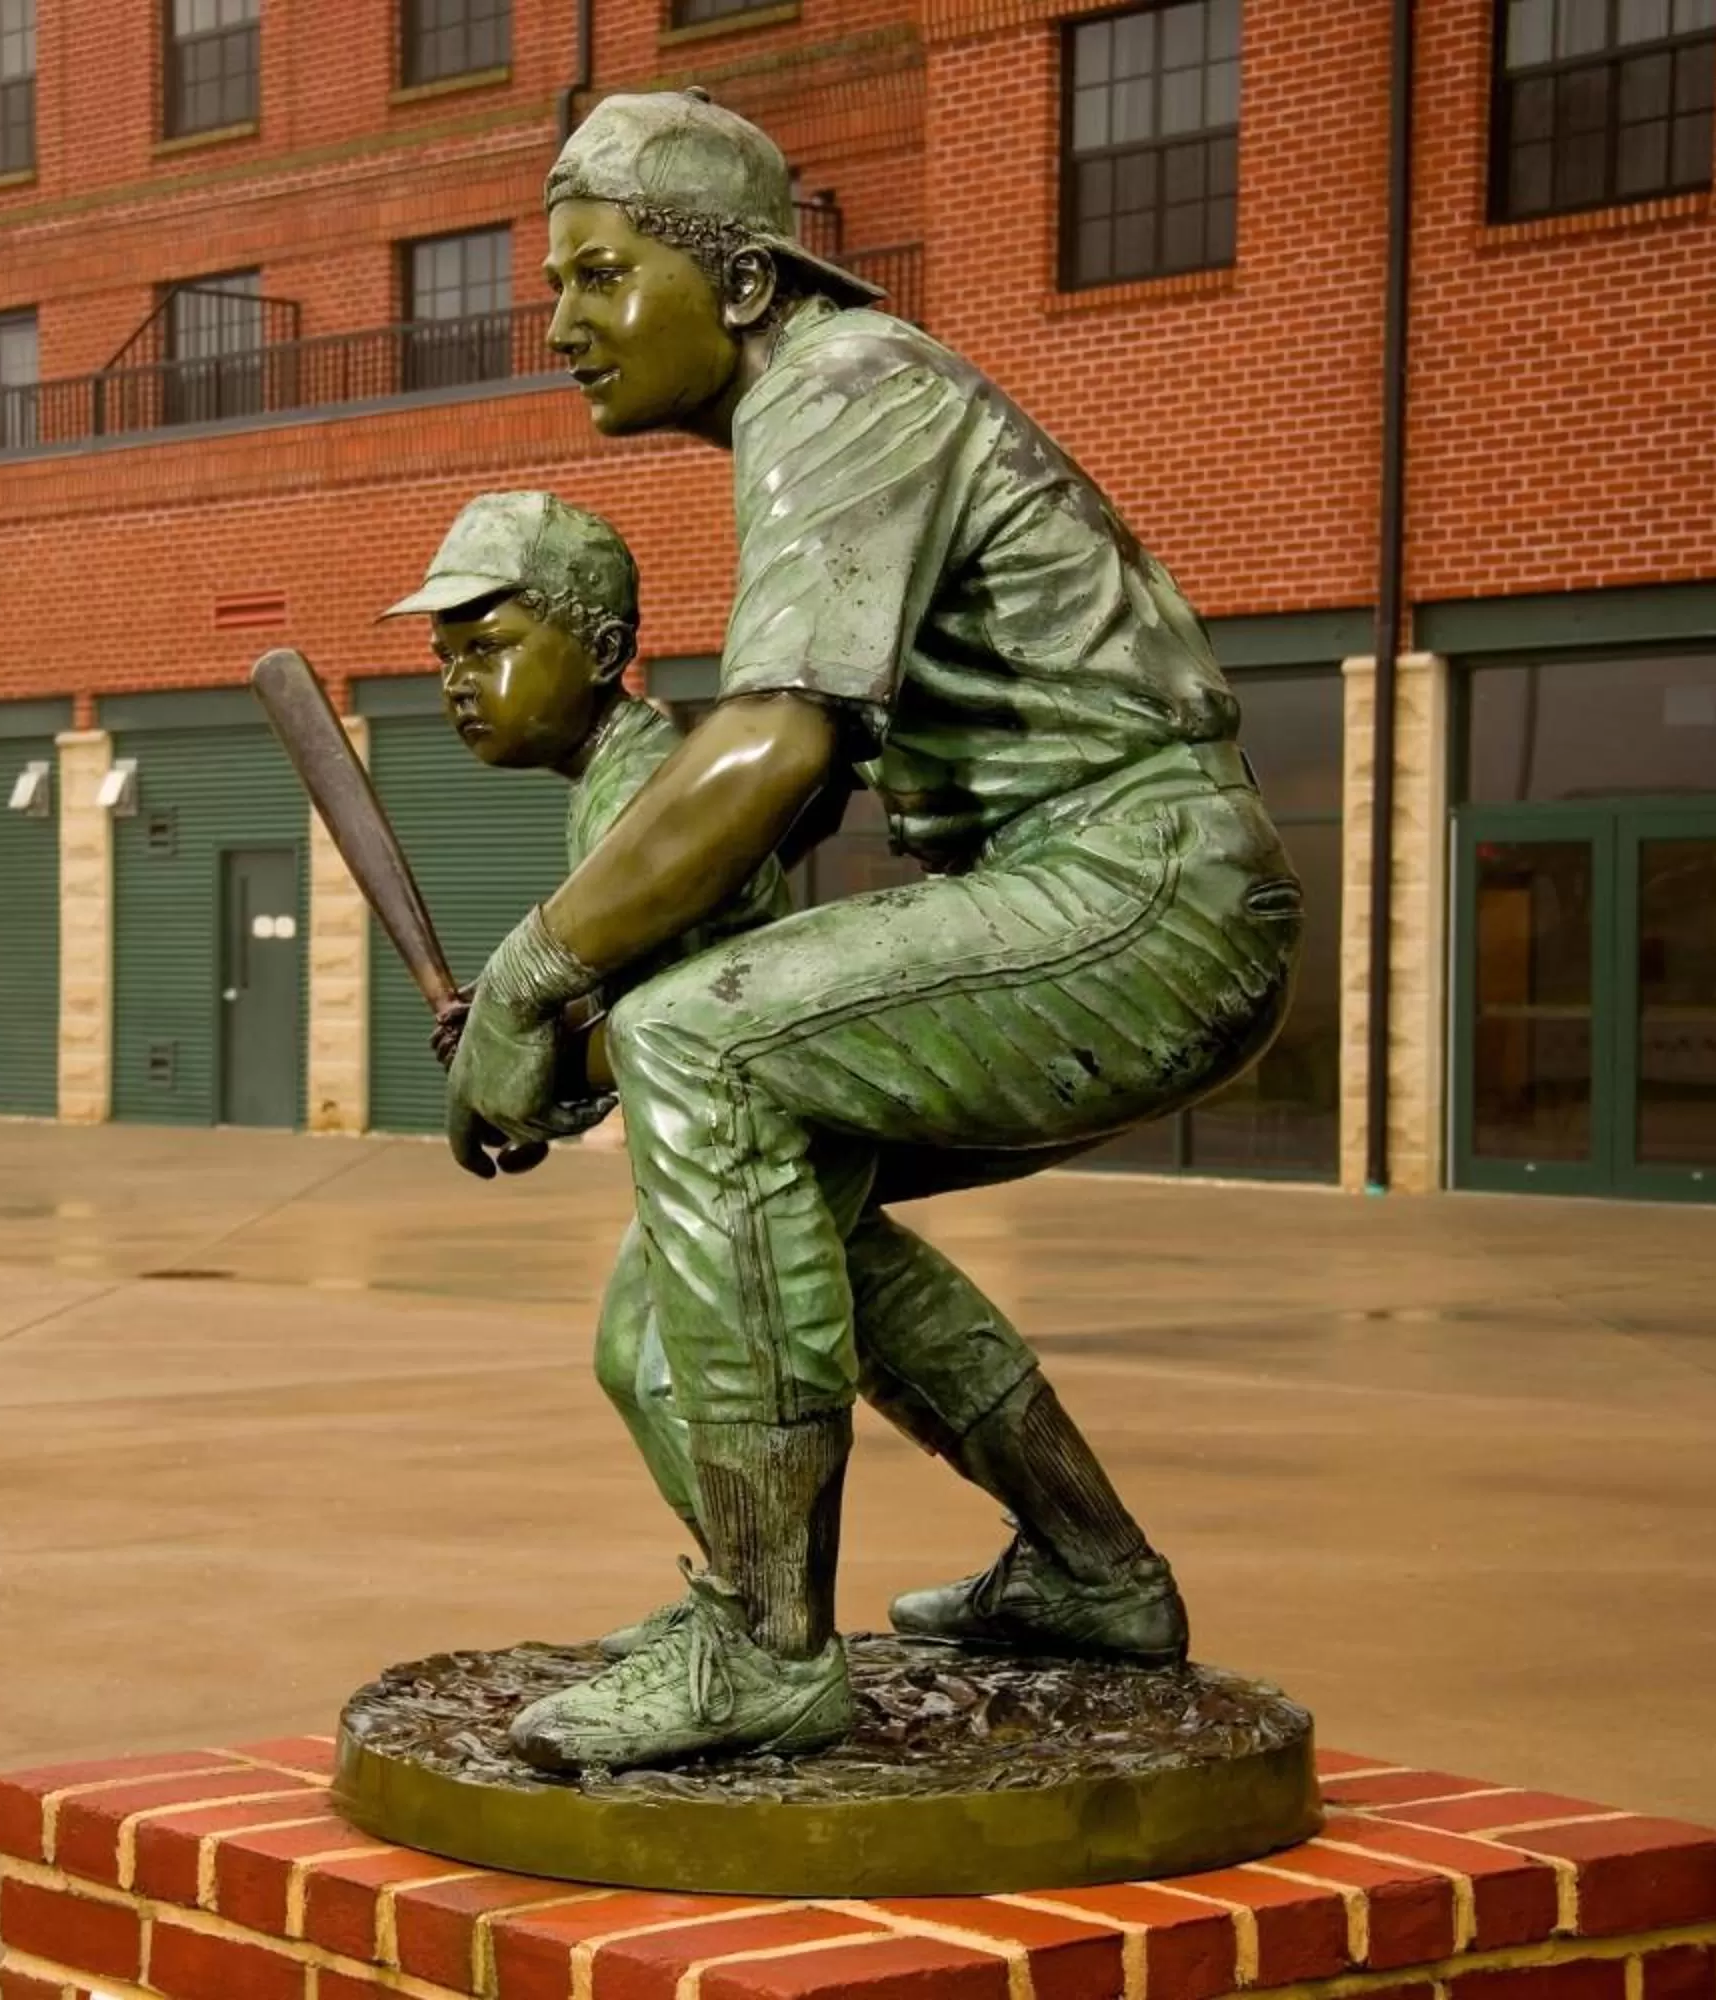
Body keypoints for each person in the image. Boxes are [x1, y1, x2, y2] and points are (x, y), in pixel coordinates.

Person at [443, 90, 1306, 1775]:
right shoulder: (826, 416)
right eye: (555, 286)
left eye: (603, 277)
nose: (562, 326)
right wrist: (556, 1015)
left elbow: (775, 751)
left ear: (749, 285)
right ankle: (1092, 1569)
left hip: (1140, 884)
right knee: (750, 1230)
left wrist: (544, 976)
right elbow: (769, 810)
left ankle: (764, 1649)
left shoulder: (842, 387)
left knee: (709, 1049)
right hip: (1087, 881)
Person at [381, 490, 785, 1637]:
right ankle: (1094, 1563)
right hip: (715, 1121)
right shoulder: (614, 780)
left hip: (761, 1122)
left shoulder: (650, 782)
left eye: (492, 648)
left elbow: (688, 996)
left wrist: (540, 1053)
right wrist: (527, 1032)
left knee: (660, 1366)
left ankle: (762, 1626)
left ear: (605, 651)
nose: (458, 681)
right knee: (894, 1344)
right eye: (444, 655)